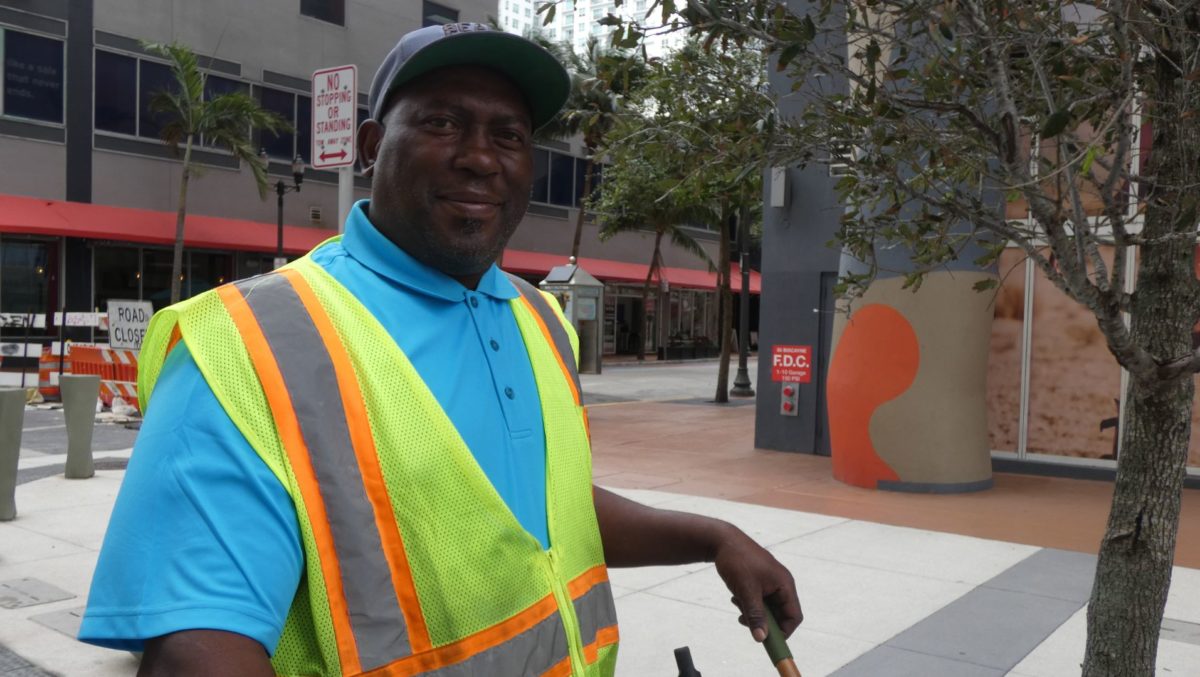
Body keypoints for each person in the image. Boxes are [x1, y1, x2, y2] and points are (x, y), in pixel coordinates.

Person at [79, 23, 800, 677]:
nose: (480, 158)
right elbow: (197, 652)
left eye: (509, 135)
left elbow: (546, 510)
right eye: (442, 122)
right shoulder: (248, 343)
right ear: (369, 146)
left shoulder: (540, 318)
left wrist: (712, 535)